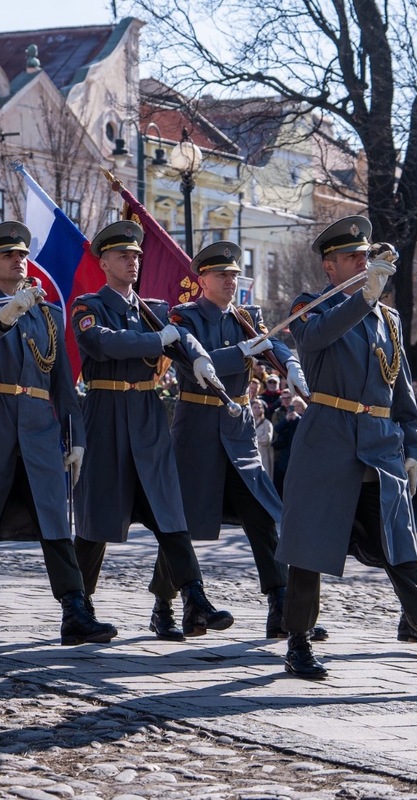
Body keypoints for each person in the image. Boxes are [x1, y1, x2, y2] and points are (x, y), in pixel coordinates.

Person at [276, 215, 417, 681]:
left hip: (379, 445)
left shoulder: (387, 319)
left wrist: (411, 445)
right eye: (351, 257)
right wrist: (366, 295)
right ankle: (298, 642)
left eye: (365, 257)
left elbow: (400, 392)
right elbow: (315, 339)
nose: (361, 263)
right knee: (309, 547)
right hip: (328, 440)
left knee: (398, 545)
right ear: (330, 267)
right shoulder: (311, 306)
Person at [0, 221, 116, 647]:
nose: (18, 260)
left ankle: (75, 610)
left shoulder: (49, 311)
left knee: (55, 522)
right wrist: (9, 310)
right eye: (8, 255)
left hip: (38, 425)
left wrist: (78, 436)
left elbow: (62, 380)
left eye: (22, 255)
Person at [70, 223, 232, 642]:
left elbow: (184, 335)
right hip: (104, 412)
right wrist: (156, 339)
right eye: (123, 255)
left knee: (169, 509)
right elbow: (104, 343)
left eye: (137, 256)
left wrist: (198, 359)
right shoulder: (89, 305)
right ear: (103, 262)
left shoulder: (154, 308)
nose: (132, 261)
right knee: (96, 517)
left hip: (146, 411)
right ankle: (78, 608)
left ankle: (194, 597)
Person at [169, 240, 313, 639]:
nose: (231, 281)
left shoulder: (247, 317)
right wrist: (239, 352)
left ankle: (280, 604)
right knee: (181, 519)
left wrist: (290, 363)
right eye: (222, 275)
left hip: (236, 432)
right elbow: (193, 358)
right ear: (203, 280)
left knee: (261, 515)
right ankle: (173, 600)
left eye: (234, 275)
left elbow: (272, 345)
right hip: (197, 425)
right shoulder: (184, 315)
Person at [253, 399, 274, 481]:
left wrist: (253, 440)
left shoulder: (267, 423)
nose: (257, 409)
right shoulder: (248, 422)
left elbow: (267, 439)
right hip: (252, 454)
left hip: (264, 455)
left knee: (265, 477)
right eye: (255, 407)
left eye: (259, 407)